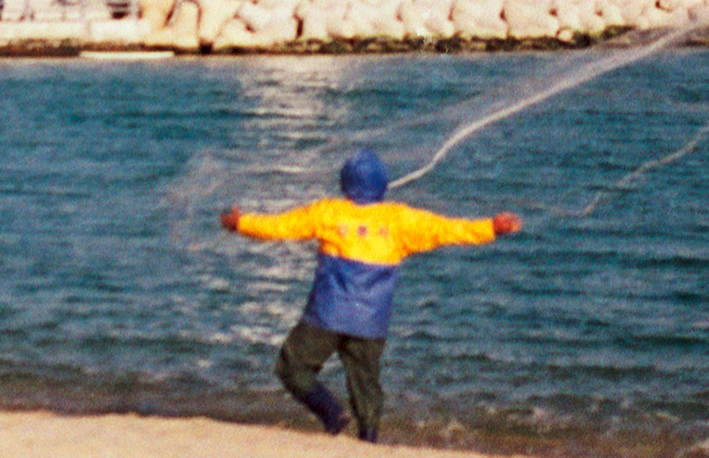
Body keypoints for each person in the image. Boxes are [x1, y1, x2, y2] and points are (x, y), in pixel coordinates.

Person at [220, 149, 519, 442]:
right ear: (382, 184)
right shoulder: (399, 220)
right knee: (366, 386)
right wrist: (491, 227)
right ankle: (369, 438)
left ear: (345, 183)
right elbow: (446, 229)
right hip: (370, 321)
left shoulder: (328, 212)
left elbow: (281, 226)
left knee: (291, 367)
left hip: (327, 315)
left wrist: (241, 223)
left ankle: (331, 413)